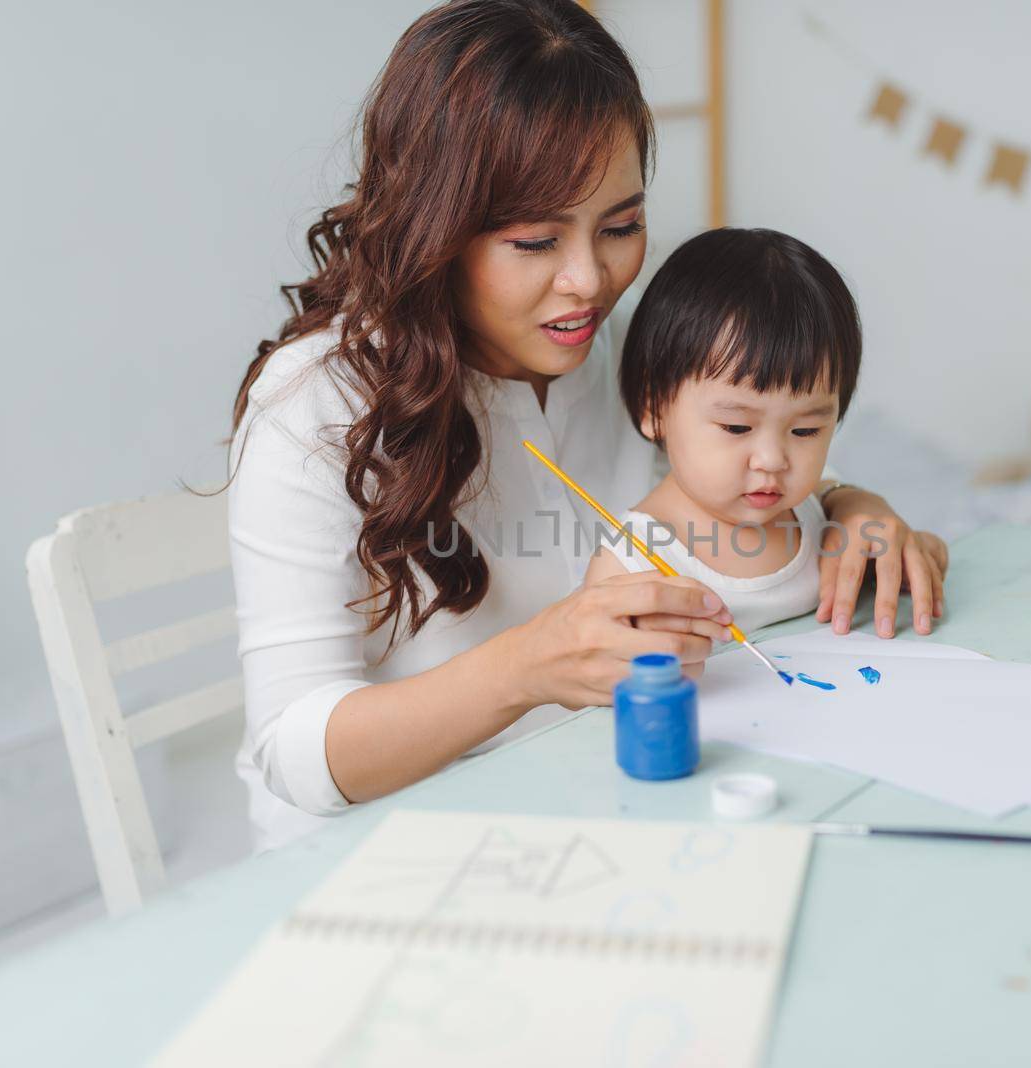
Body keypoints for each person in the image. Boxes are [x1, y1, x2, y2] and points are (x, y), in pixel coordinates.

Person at [227, 0, 950, 851]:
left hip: (593, 807)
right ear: (438, 228)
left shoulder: (611, 349)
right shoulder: (313, 403)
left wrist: (855, 509)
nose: (589, 280)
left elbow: (727, 482)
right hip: (388, 848)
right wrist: (527, 667)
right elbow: (292, 752)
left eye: (621, 227)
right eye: (535, 241)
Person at [585, 228, 887, 636]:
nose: (772, 459)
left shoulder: (828, 524)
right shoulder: (633, 564)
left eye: (806, 430)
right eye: (737, 426)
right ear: (654, 407)